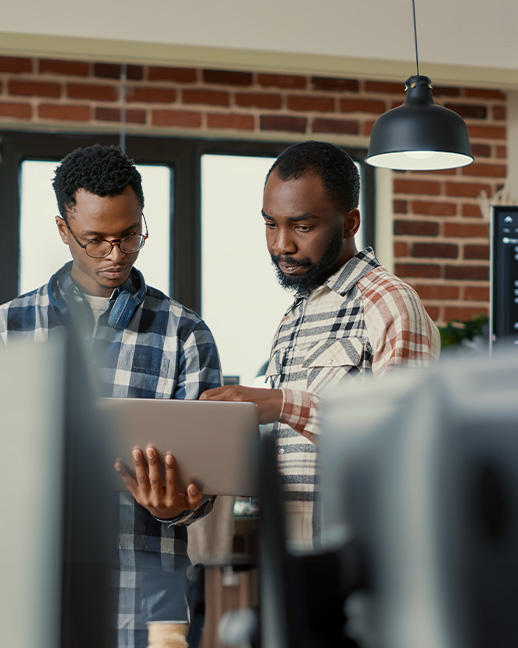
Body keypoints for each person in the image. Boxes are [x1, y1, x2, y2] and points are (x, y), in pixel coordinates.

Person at [0, 144, 222, 648]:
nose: (115, 255)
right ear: (64, 231)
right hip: (26, 589)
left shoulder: (185, 334)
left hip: (150, 600)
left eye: (128, 236)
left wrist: (176, 507)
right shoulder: (7, 327)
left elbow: (209, 480)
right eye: (95, 240)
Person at [200, 140, 441, 551]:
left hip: (366, 566)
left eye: (302, 226)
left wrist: (279, 403)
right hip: (296, 566)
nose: (281, 245)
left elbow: (406, 444)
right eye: (270, 224)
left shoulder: (389, 302)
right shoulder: (295, 317)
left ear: (350, 223)